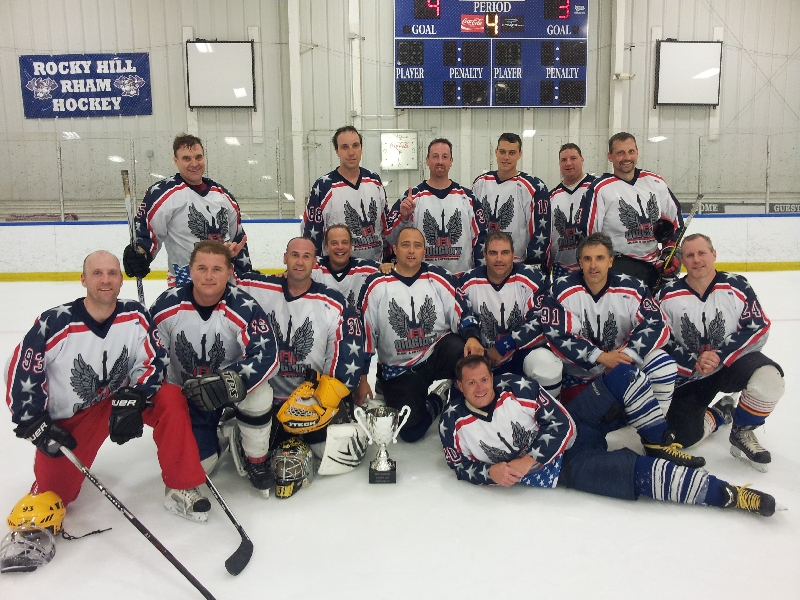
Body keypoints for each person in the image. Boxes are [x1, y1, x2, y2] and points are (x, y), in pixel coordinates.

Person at [6, 251, 210, 522]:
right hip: (76, 416)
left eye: (112, 273)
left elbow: (153, 359)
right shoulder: (55, 323)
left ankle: (181, 486)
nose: (105, 280)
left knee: (170, 397)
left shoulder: (135, 315)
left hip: (123, 399)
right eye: (97, 273)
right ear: (83, 279)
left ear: (121, 280)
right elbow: (21, 369)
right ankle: (39, 502)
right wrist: (33, 421)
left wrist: (137, 395)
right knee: (55, 493)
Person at [440, 355, 776, 517]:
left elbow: (562, 424)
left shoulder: (517, 387)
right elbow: (459, 466)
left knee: (625, 375)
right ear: (460, 386)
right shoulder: (452, 424)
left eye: (484, 379)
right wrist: (490, 473)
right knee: (641, 475)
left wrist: (528, 459)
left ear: (492, 376)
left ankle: (657, 442)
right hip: (568, 468)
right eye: (471, 383)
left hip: (579, 425)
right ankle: (728, 493)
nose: (480, 388)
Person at [542, 233, 702, 468]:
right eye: (587, 259)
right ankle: (557, 420)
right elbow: (556, 333)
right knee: (542, 362)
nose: (593, 265)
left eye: (599, 258)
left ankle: (655, 437)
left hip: (623, 369)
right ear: (580, 262)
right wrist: (601, 357)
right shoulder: (561, 288)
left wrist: (626, 355)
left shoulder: (633, 286)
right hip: (577, 380)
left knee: (663, 364)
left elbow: (657, 324)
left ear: (610, 261)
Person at [149, 241, 279, 497]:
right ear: (190, 270)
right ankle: (223, 437)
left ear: (229, 272)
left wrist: (227, 382)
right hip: (190, 398)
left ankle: (256, 458)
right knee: (197, 469)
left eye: (217, 269)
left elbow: (266, 355)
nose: (209, 276)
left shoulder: (243, 306)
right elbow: (151, 356)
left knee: (260, 392)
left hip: (229, 391)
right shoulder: (166, 305)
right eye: (202, 268)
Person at [236, 237, 368, 484]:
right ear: (285, 258)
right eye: (294, 255)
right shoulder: (259, 288)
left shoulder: (332, 302)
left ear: (315, 262)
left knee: (326, 451)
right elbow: (220, 281)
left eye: (306, 256)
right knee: (256, 451)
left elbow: (345, 355)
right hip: (269, 401)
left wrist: (324, 399)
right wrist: (229, 256)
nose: (299, 262)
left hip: (311, 400)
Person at [656, 233, 784, 472]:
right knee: (682, 438)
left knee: (769, 378)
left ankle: (742, 431)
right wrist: (693, 361)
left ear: (714, 254)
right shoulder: (667, 294)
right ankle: (720, 413)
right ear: (683, 260)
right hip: (691, 375)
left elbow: (758, 326)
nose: (697, 259)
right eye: (690, 255)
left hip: (731, 365)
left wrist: (720, 355)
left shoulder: (737, 285)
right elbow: (661, 340)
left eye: (702, 253)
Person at [359, 227, 484, 443]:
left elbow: (463, 310)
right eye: (405, 245)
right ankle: (438, 399)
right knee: (410, 432)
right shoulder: (376, 284)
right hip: (400, 368)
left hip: (436, 352)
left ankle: (461, 412)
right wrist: (362, 378)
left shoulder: (439, 277)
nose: (411, 250)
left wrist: (472, 336)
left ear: (424, 250)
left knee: (466, 355)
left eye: (417, 245)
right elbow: (364, 334)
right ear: (395, 249)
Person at [123, 133, 252, 287]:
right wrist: (140, 253)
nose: (194, 163)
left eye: (198, 157)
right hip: (185, 282)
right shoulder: (162, 194)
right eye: (186, 158)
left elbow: (237, 239)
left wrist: (245, 273)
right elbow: (147, 232)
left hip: (223, 281)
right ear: (175, 161)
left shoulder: (223, 196)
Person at [456, 231, 562, 398]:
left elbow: (541, 319)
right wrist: (472, 337)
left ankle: (548, 410)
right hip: (481, 354)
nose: (499, 259)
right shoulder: (467, 281)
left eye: (504, 252)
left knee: (548, 367)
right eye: (493, 253)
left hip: (520, 352)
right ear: (484, 255)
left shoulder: (533, 278)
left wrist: (505, 346)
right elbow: (462, 314)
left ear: (513, 254)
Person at [579, 132, 683, 291]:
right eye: (620, 153)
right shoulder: (600, 189)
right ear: (610, 156)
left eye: (631, 151)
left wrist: (670, 250)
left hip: (654, 265)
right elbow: (590, 236)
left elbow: (675, 221)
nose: (627, 157)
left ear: (637, 152)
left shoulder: (655, 182)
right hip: (619, 266)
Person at [388, 138, 487, 274]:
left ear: (451, 161)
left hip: (459, 279)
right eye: (435, 156)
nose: (440, 161)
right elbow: (391, 239)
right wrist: (404, 219)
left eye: (444, 157)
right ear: (427, 160)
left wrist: (479, 274)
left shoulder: (468, 198)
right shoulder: (411, 197)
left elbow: (481, 240)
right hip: (422, 280)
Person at [311, 224, 381, 405]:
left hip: (354, 344)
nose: (340, 247)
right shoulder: (313, 268)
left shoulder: (369, 269)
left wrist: (389, 266)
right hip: (321, 341)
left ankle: (355, 386)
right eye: (334, 243)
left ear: (352, 246)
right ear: (326, 247)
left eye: (344, 242)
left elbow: (397, 271)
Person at [301, 125, 390, 262]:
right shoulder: (324, 187)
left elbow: (385, 225)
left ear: (361, 148)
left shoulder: (374, 181)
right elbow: (311, 234)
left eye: (355, 145)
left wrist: (388, 260)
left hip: (374, 268)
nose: (351, 152)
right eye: (344, 147)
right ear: (337, 151)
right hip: (337, 271)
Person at [471, 133, 550, 268]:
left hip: (518, 265)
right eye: (502, 152)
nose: (506, 157)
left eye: (512, 153)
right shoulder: (480, 183)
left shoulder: (534, 186)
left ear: (520, 154)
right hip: (486, 264)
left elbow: (541, 229)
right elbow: (474, 227)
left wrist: (531, 264)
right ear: (496, 152)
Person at [547, 143, 596, 278]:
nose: (568, 163)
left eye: (573, 158)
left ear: (582, 159)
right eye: (564, 160)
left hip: (594, 266)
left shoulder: (597, 188)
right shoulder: (551, 197)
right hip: (562, 268)